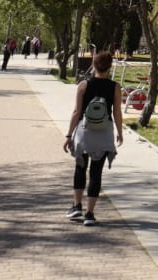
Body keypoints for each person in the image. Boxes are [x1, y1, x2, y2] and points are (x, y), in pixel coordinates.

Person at [64, 50, 124, 227]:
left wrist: (69, 135)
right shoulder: (115, 87)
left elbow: (76, 112)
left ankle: (76, 206)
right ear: (110, 67)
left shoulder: (83, 85)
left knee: (80, 168)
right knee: (96, 172)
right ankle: (90, 214)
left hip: (85, 132)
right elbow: (117, 112)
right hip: (104, 133)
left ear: (94, 65)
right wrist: (120, 132)